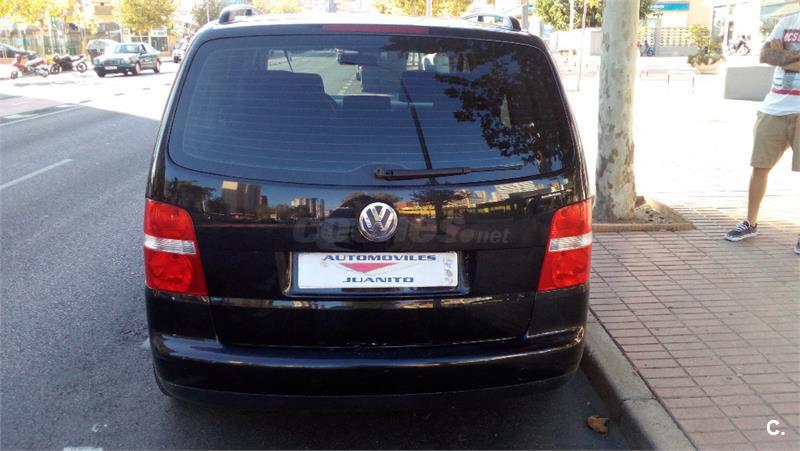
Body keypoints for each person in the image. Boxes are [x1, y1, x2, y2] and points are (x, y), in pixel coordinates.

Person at [724, 13, 800, 255]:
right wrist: (785, 57)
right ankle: (750, 222)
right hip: (773, 107)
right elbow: (766, 56)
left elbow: (777, 57)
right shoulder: (787, 22)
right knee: (760, 167)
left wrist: (783, 55)